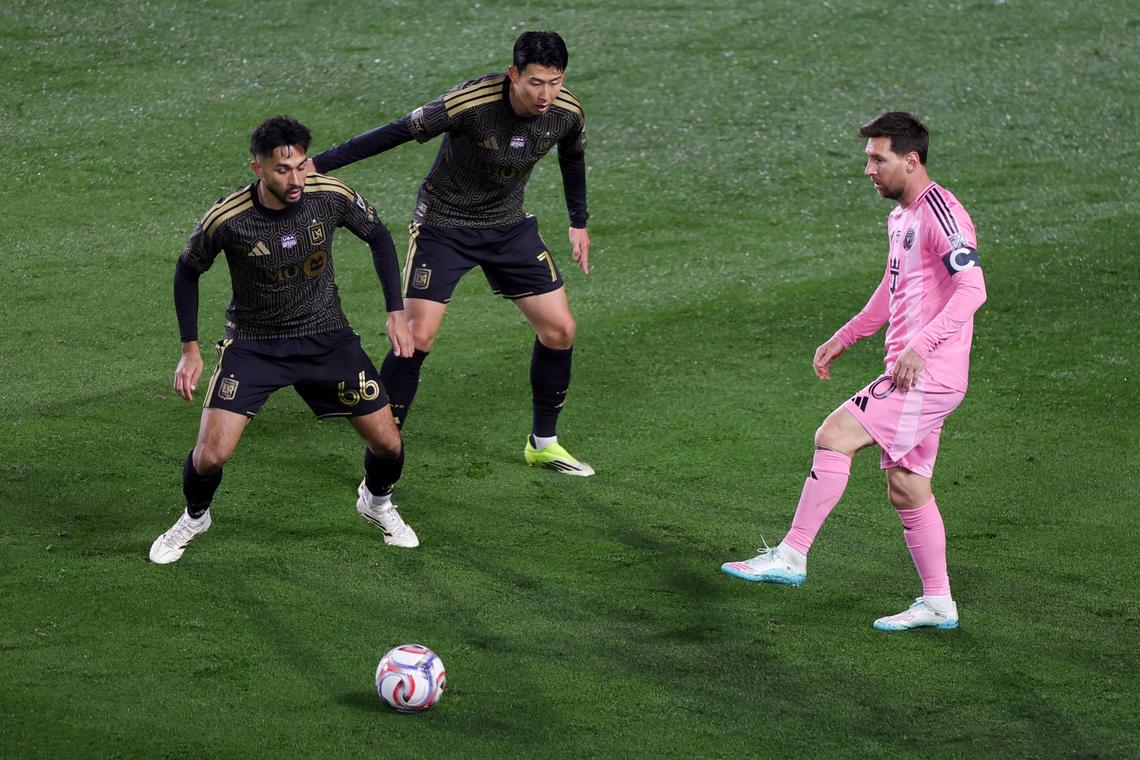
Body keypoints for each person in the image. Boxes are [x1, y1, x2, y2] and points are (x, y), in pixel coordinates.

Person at [721, 112, 987, 631]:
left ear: (911, 161)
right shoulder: (900, 217)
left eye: (877, 159)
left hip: (927, 374)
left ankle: (792, 554)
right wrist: (844, 336)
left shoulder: (943, 215)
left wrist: (921, 345)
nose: (868, 169)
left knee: (834, 434)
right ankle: (938, 602)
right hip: (916, 372)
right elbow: (893, 291)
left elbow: (973, 289)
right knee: (907, 486)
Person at [308, 30, 594, 476]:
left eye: (555, 82)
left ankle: (543, 442)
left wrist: (579, 221)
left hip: (508, 227)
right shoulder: (469, 103)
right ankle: (385, 441)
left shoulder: (566, 112)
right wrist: (317, 166)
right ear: (514, 74)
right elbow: (396, 132)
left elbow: (572, 158)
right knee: (416, 339)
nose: (546, 94)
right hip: (444, 225)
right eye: (536, 82)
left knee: (560, 330)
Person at [149, 115, 420, 564]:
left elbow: (377, 235)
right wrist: (189, 350)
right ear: (258, 169)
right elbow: (187, 271)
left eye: (300, 166)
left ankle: (376, 503)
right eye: (282, 170)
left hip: (327, 339)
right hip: (255, 346)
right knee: (211, 455)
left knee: (389, 444)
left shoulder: (330, 196)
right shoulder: (228, 218)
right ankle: (195, 517)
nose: (295, 179)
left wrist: (396, 311)